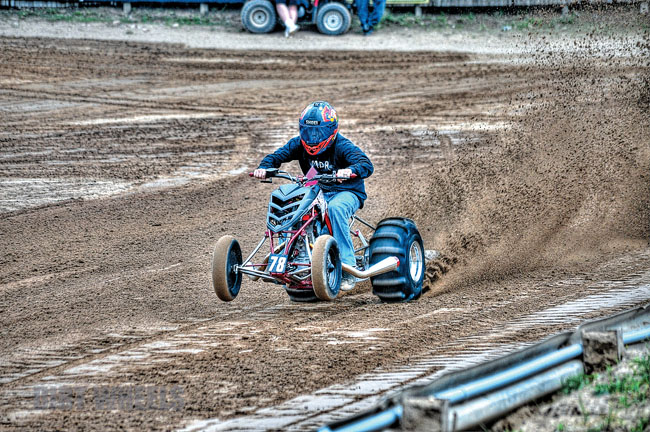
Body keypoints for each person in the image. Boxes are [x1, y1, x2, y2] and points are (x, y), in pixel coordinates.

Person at [253, 101, 374, 292]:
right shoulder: (298, 144)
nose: (313, 137)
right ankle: (290, 260)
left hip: (347, 191)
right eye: (308, 132)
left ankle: (348, 268)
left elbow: (366, 164)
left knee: (336, 209)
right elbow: (275, 157)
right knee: (293, 205)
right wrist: (264, 168)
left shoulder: (343, 146)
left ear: (331, 131)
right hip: (317, 190)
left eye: (318, 133)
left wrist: (349, 170)